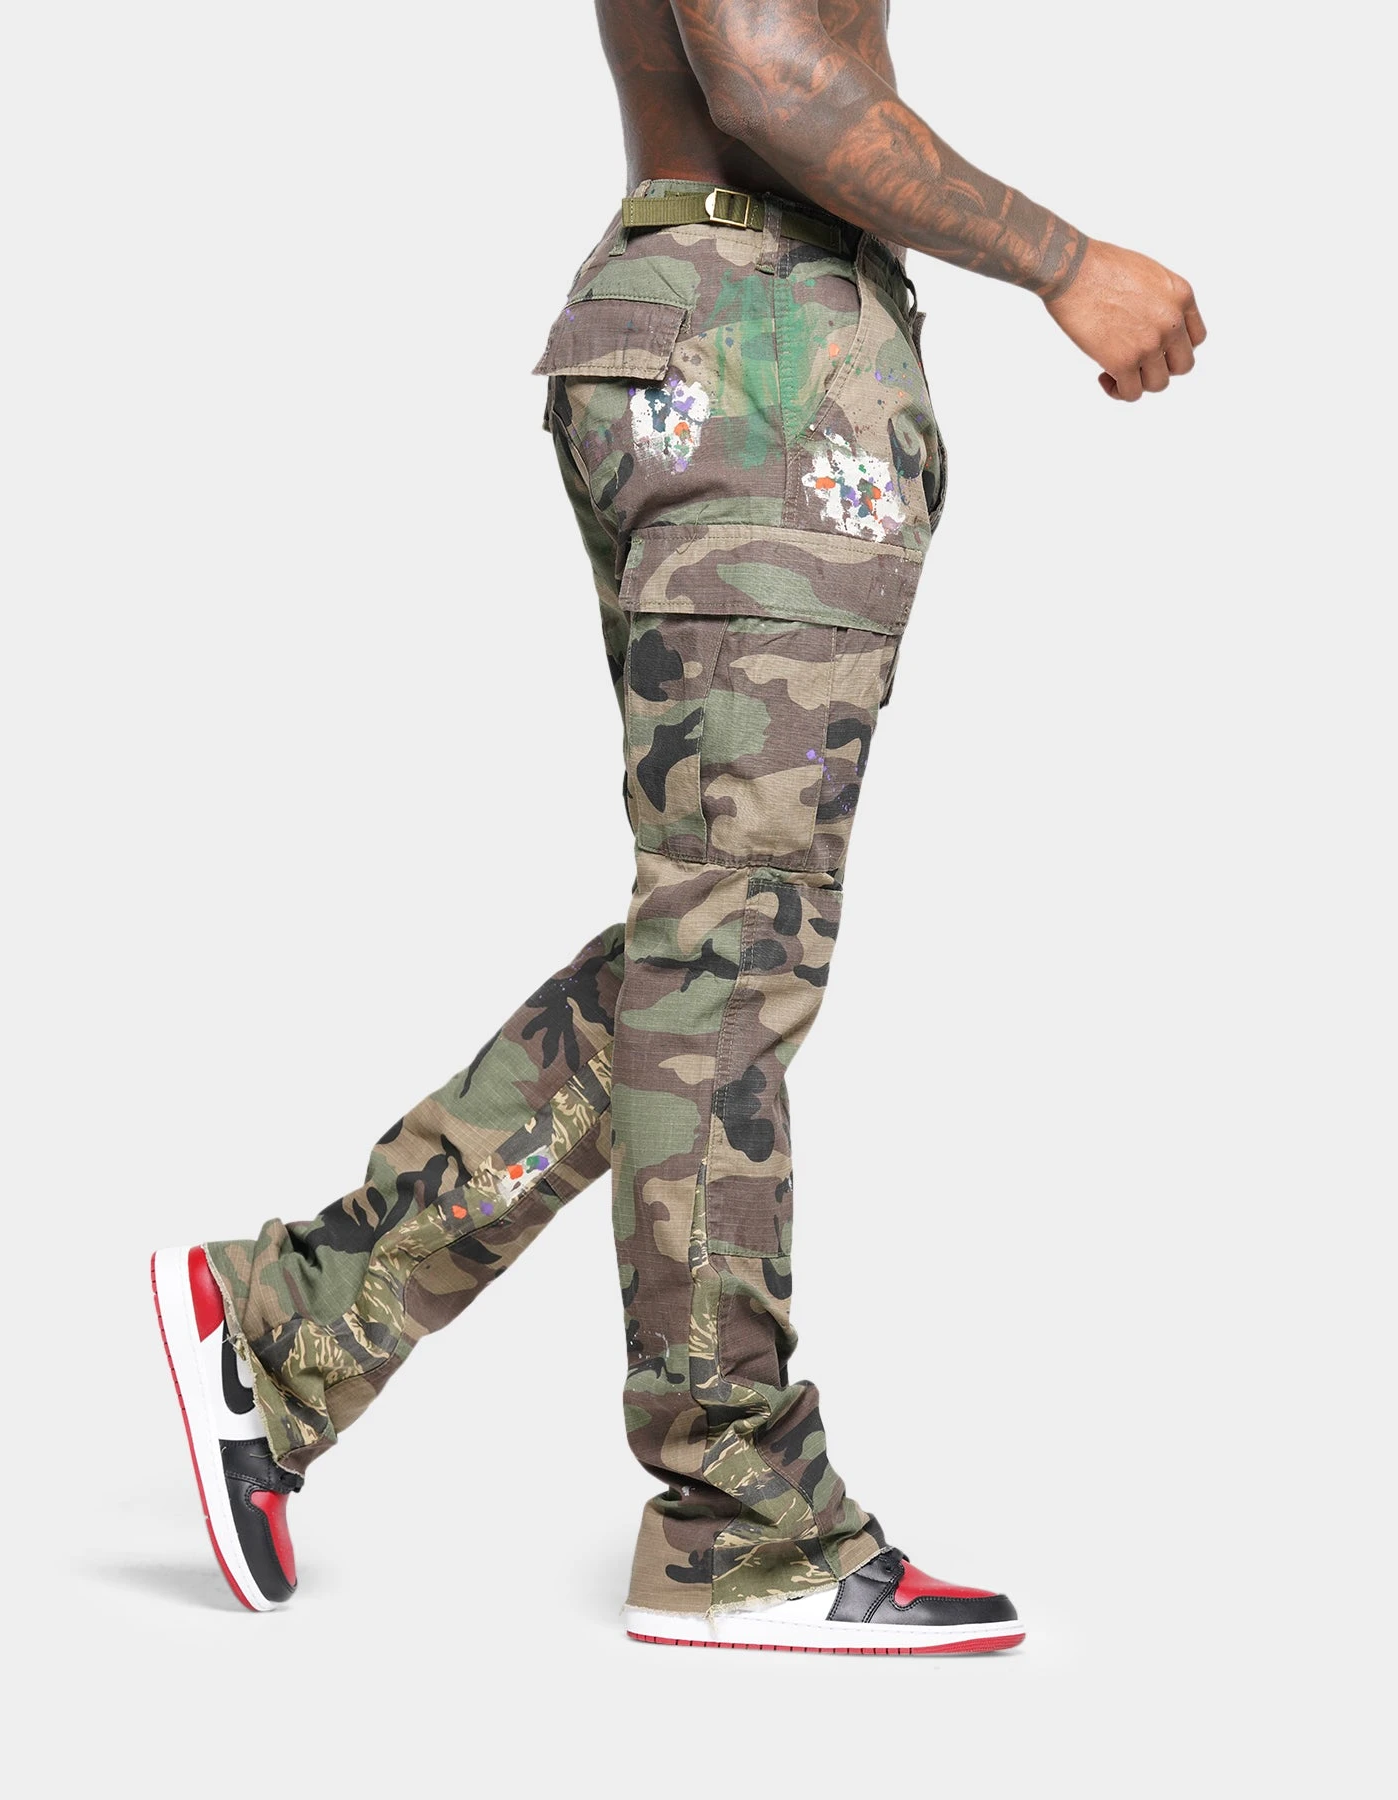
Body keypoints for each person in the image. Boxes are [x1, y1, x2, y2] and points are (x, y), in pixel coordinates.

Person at [151, 0, 1204, 1653]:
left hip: (732, 329)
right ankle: (739, 1516)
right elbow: (771, 71)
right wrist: (1067, 261)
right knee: (732, 941)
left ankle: (287, 1325)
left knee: (712, 934)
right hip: (762, 336)